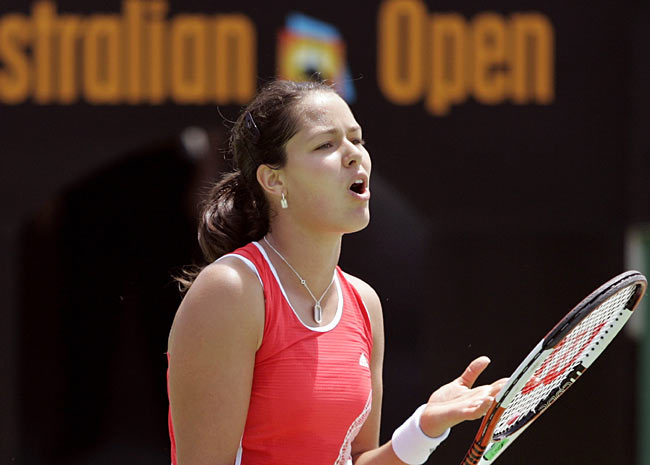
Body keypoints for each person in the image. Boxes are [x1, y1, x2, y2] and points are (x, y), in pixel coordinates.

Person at [166, 80, 506, 465]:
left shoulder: (364, 303)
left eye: (356, 140)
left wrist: (424, 429)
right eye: (326, 144)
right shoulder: (232, 291)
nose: (353, 156)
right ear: (274, 180)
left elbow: (352, 459)